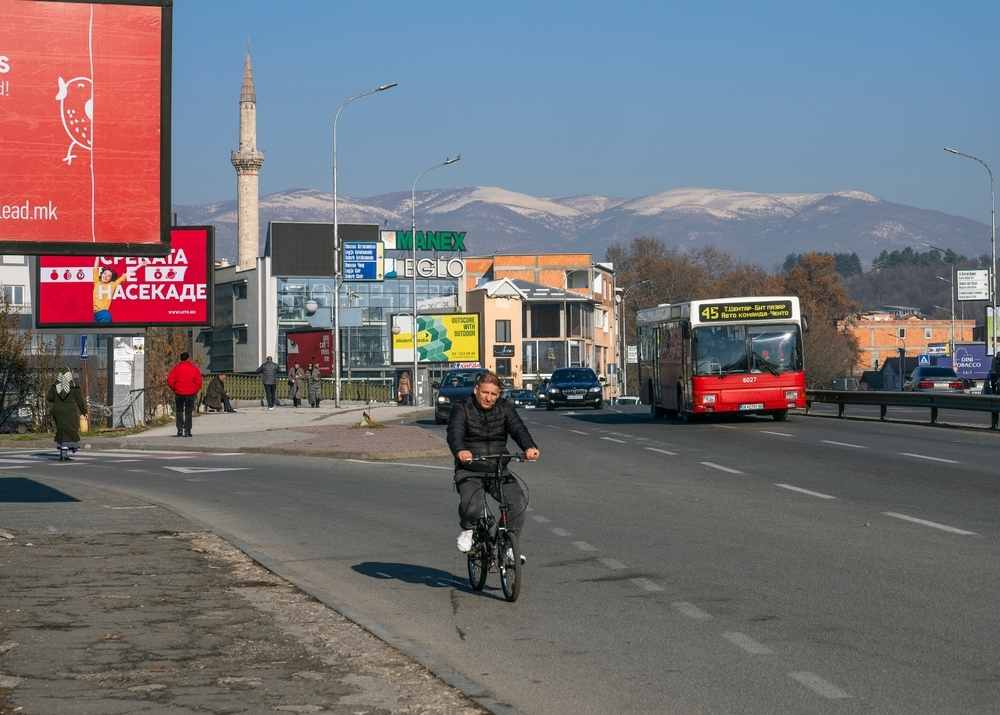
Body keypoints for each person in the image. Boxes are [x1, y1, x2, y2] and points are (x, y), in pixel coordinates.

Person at [446, 371, 540, 559]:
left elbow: (517, 428)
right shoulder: (462, 407)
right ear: (476, 390)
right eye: (485, 393)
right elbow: (454, 433)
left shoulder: (504, 407)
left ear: (498, 395)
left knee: (518, 502)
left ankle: (509, 546)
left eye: (493, 394)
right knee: (472, 505)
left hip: (497, 468)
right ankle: (467, 529)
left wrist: (529, 446)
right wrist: (461, 451)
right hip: (470, 468)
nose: (489, 398)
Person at [47, 366, 88, 461]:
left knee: (61, 430)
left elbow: (49, 397)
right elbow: (79, 401)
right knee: (70, 429)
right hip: (70, 411)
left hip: (57, 410)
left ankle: (62, 452)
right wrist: (84, 412)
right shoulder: (74, 386)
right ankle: (65, 453)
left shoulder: (55, 386)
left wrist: (57, 400)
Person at [167, 352, 203, 437]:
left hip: (179, 392)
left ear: (181, 359)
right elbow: (199, 382)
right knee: (188, 412)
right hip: (190, 392)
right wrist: (195, 390)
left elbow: (170, 380)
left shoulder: (176, 368)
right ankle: (187, 430)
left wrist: (174, 388)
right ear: (188, 359)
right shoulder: (194, 369)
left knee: (179, 410)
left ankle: (179, 429)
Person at [92, 257, 129, 323]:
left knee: (103, 333)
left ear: (111, 279)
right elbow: (95, 269)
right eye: (105, 274)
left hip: (104, 314)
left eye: (109, 276)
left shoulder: (112, 285)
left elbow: (125, 275)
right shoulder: (97, 282)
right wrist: (97, 256)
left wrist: (140, 265)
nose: (105, 276)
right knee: (95, 333)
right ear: (102, 274)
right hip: (96, 315)